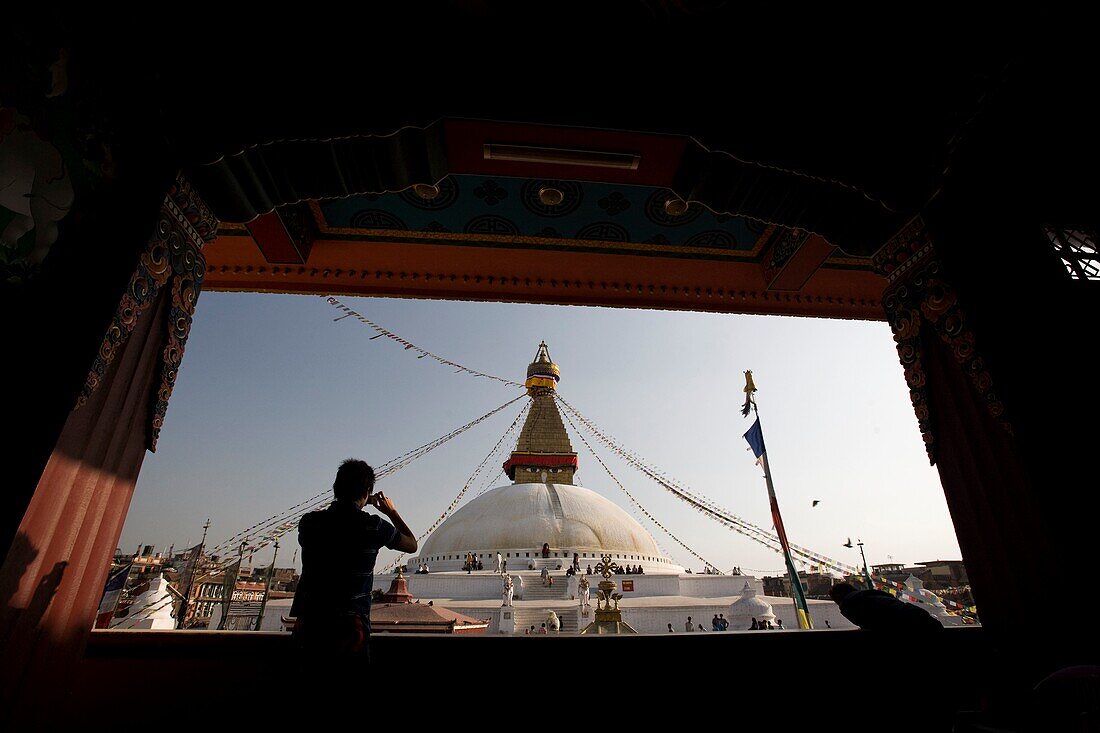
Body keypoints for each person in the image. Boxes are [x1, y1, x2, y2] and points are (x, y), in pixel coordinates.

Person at [291, 459, 417, 660]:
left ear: (335, 488)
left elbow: (337, 526)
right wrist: (391, 511)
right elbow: (412, 545)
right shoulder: (374, 526)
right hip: (350, 627)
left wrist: (359, 500)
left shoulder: (310, 523)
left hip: (311, 622)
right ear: (367, 492)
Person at [828, 582, 944, 632]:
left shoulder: (849, 604)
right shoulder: (872, 594)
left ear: (839, 596)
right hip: (920, 617)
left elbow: (872, 623)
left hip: (908, 626)